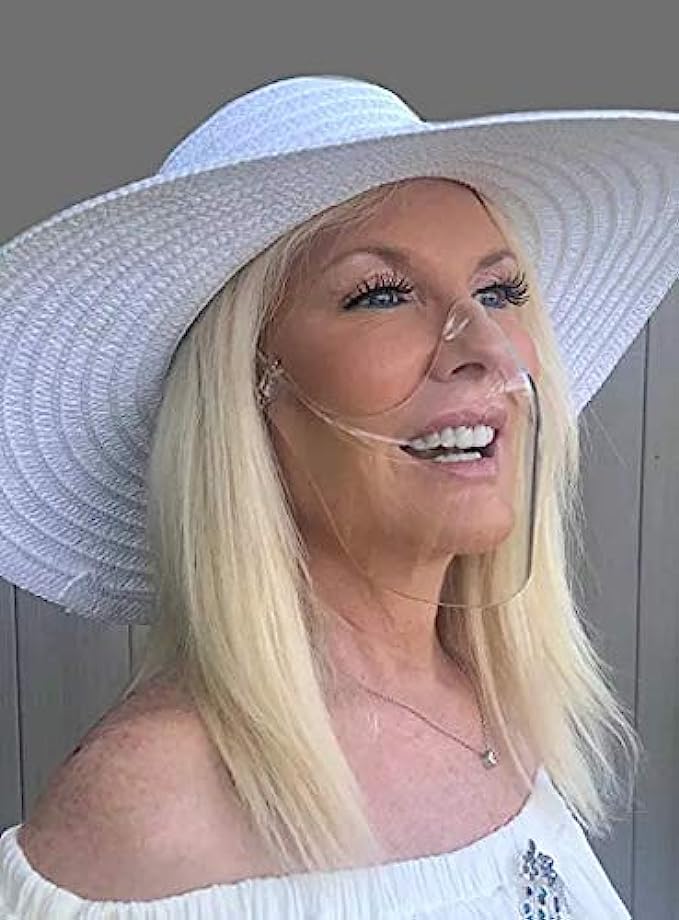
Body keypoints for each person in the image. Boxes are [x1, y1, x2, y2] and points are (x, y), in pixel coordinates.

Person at [1, 73, 677, 918]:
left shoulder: (497, 705)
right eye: (381, 295)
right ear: (248, 391)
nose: (489, 350)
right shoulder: (151, 814)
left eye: (499, 292)